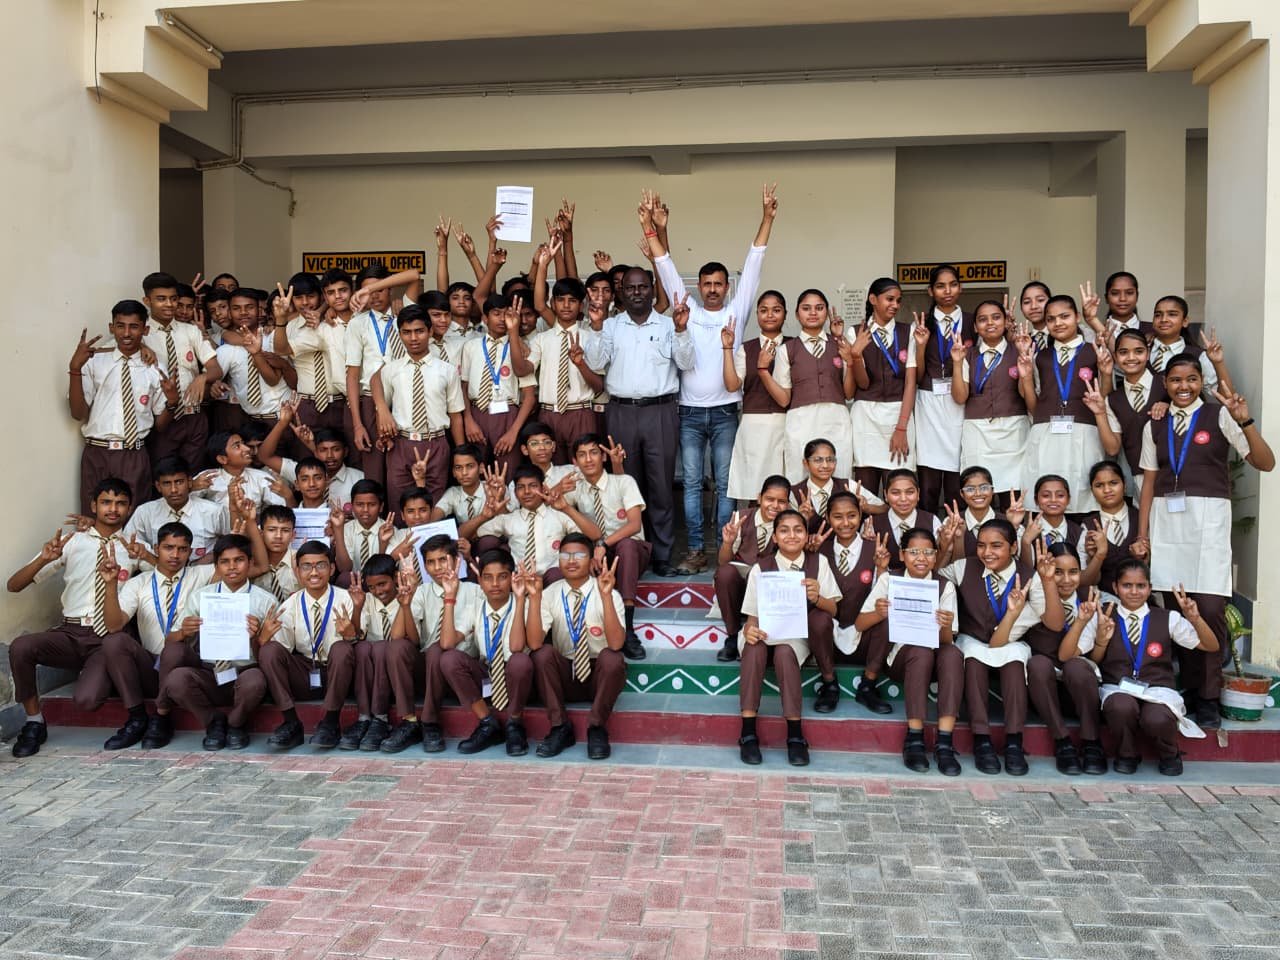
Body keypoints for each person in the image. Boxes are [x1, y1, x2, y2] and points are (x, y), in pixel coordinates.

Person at [644, 185, 778, 574]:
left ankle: (724, 548)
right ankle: (695, 550)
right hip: (688, 413)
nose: (714, 289)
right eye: (707, 284)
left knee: (724, 484)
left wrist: (767, 219)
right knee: (689, 485)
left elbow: (754, 261)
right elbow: (665, 266)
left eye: (719, 283)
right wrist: (650, 229)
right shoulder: (686, 309)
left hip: (724, 414)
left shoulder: (737, 312)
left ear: (728, 287)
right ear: (698, 287)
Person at [1138, 356, 1274, 728]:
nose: (1183, 386)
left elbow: (1265, 462)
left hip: (1208, 529)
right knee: (1176, 614)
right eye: (1175, 380)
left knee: (1210, 612)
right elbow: (1148, 482)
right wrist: (1143, 534)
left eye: (1191, 379)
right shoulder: (1155, 423)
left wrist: (1246, 421)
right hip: (1168, 527)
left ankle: (1209, 697)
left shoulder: (1219, 416)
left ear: (1201, 382)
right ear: (1165, 384)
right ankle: (1189, 686)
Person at [583, 221, 695, 577]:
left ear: (651, 289)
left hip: (660, 413)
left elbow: (687, 363)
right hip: (621, 413)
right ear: (621, 292)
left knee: (661, 487)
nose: (636, 292)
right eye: (629, 287)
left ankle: (661, 555)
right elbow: (595, 364)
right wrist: (596, 327)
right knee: (625, 486)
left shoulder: (669, 324)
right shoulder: (609, 325)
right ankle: (632, 553)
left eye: (643, 286)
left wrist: (681, 330)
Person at [7, 478, 142, 757]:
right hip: (70, 634)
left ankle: (102, 673)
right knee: (21, 647)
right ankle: (34, 722)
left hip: (108, 639)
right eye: (106, 502)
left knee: (87, 700)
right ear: (93, 505)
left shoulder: (134, 547)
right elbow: (14, 585)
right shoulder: (72, 542)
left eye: (120, 503)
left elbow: (166, 573)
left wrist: (147, 556)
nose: (113, 509)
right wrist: (44, 559)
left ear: (129, 508)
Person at [940, 518, 1062, 775]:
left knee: (1014, 664)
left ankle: (1014, 740)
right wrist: (946, 546)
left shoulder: (1029, 576)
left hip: (1009, 642)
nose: (987, 552)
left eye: (996, 545)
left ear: (1014, 547)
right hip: (973, 639)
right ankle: (981, 739)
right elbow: (934, 579)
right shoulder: (964, 567)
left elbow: (1054, 623)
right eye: (981, 545)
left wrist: (1049, 581)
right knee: (973, 661)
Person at [1091, 560, 1219, 775]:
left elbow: (1210, 645)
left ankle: (1169, 753)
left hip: (1158, 689)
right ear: (1115, 587)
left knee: (1157, 717)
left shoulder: (1167, 618)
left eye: (1140, 586)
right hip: (1118, 687)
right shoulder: (1104, 616)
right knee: (1120, 707)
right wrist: (1101, 641)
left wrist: (1195, 619)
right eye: (1127, 585)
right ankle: (1126, 753)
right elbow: (1094, 660)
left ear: (1149, 588)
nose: (1134, 592)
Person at [736, 509, 840, 767]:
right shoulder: (761, 568)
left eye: (798, 530)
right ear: (774, 537)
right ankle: (747, 731)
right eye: (784, 530)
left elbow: (833, 609)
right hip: (764, 629)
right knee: (754, 648)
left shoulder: (818, 563)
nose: (791, 535)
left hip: (794, 634)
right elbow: (752, 616)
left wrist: (817, 598)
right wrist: (750, 631)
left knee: (784, 653)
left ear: (806, 535)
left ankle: (795, 734)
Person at [154, 531, 276, 750]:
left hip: (245, 671)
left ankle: (236, 723)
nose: (232, 567)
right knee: (177, 679)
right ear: (216, 566)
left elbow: (274, 656)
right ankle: (213, 721)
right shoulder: (201, 597)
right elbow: (169, 640)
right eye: (225, 562)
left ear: (250, 562)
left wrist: (258, 637)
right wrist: (184, 632)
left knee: (255, 681)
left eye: (239, 560)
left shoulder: (265, 601)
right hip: (209, 671)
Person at [855, 526, 963, 775]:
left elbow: (947, 641)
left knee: (953, 654)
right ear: (902, 555)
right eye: (914, 552)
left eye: (928, 552)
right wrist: (878, 613)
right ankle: (914, 737)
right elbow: (860, 624)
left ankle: (945, 742)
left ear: (935, 557)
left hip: (935, 658)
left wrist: (945, 625)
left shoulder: (943, 586)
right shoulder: (889, 580)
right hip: (900, 660)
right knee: (920, 652)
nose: (921, 558)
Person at [526, 533, 628, 759]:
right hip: (566, 673)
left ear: (592, 561)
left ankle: (597, 727)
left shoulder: (609, 592)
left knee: (613, 658)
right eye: (565, 555)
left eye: (579, 555)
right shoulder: (550, 593)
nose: (571, 561)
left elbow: (617, 643)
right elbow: (533, 642)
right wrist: (534, 598)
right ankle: (560, 727)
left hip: (598, 675)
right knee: (541, 654)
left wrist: (606, 597)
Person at [70, 303, 178, 514]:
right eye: (120, 326)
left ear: (145, 330)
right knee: (92, 516)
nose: (127, 333)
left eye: (134, 327)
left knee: (134, 517)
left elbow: (160, 425)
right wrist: (74, 369)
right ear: (112, 328)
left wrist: (172, 402)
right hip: (97, 452)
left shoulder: (155, 368)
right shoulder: (94, 361)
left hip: (133, 454)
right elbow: (77, 413)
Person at [383, 535, 482, 754]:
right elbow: (398, 635)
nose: (437, 568)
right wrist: (405, 604)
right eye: (430, 562)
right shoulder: (422, 591)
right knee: (398, 647)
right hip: (428, 671)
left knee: (440, 649)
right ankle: (409, 721)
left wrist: (450, 596)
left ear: (456, 560)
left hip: (459, 672)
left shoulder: (474, 591)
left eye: (442, 560)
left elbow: (448, 643)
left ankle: (430, 722)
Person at [258, 540, 360, 750]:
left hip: (337, 674)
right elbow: (282, 650)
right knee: (269, 650)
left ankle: (330, 722)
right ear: (297, 571)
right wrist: (263, 638)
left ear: (332, 569)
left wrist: (351, 635)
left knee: (341, 648)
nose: (314, 572)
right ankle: (291, 722)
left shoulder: (347, 599)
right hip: (305, 671)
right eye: (306, 566)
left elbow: (359, 645)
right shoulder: (290, 605)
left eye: (320, 565)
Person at [438, 549, 535, 755]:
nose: (495, 584)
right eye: (488, 578)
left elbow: (517, 646)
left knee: (519, 661)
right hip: (488, 675)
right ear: (480, 581)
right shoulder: (475, 607)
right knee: (449, 659)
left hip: (517, 679)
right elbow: (447, 643)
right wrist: (449, 597)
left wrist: (519, 600)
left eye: (502, 577)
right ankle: (487, 723)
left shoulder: (526, 605)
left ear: (513, 577)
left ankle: (514, 724)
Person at [511, 251, 605, 464]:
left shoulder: (591, 337)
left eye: (572, 301)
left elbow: (599, 386)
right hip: (549, 414)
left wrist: (580, 364)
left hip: (581, 412)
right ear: (552, 303)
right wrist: (513, 332)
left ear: (581, 305)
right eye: (560, 300)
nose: (566, 305)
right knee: (549, 470)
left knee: (585, 470)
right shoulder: (542, 339)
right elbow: (522, 370)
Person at [370, 304, 465, 509]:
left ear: (430, 331)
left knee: (434, 505)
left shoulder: (447, 371)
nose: (413, 338)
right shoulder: (391, 370)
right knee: (399, 504)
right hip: (401, 444)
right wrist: (383, 432)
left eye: (419, 331)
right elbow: (382, 407)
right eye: (407, 332)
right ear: (400, 335)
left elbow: (456, 415)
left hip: (436, 444)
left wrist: (461, 452)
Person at [1025, 542, 1107, 775]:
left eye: (1073, 572)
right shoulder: (1037, 594)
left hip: (1078, 692)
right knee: (1038, 664)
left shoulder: (1089, 599)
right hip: (1043, 691)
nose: (1066, 580)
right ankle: (1062, 742)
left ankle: (1091, 742)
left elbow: (1069, 655)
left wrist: (1090, 629)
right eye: (1058, 572)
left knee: (1076, 667)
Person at [1022, 294, 1108, 513]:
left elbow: (1105, 395)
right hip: (1046, 431)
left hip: (1084, 431)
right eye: (1051, 319)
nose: (1058, 323)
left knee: (1082, 492)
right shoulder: (1040, 356)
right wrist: (1026, 377)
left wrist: (1106, 373)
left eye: (1064, 316)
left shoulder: (1094, 351)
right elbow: (1034, 406)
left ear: (1077, 317)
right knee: (1046, 491)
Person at [568, 434, 651, 660]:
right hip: (598, 554)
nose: (588, 459)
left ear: (603, 456)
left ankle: (628, 629)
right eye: (582, 455)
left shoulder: (623, 482)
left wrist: (603, 544)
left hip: (631, 551)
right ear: (575, 461)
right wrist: (591, 553)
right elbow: (551, 501)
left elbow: (634, 525)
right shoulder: (575, 488)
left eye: (594, 453)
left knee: (626, 546)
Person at [951, 299, 1029, 504]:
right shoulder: (967, 355)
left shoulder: (1019, 351)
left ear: (1005, 322)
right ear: (975, 327)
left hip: (1013, 431)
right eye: (983, 320)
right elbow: (959, 397)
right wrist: (957, 363)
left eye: (996, 317)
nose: (990, 323)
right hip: (978, 431)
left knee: (1012, 493)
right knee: (979, 491)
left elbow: (1025, 393)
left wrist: (1024, 361)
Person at [142, 272, 222, 468]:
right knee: (163, 473)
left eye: (173, 299)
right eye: (161, 299)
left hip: (193, 415)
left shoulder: (190, 331)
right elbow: (110, 350)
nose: (169, 304)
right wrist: (140, 346)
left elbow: (215, 369)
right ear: (147, 301)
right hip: (161, 417)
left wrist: (203, 377)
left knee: (193, 473)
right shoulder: (140, 333)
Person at [849, 277, 918, 496]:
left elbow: (910, 383)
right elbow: (862, 383)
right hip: (865, 416)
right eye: (889, 299)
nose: (895, 305)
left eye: (898, 300)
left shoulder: (908, 332)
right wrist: (856, 355)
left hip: (899, 413)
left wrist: (901, 427)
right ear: (873, 299)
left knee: (899, 487)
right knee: (865, 491)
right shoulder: (855, 332)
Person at [819, 491, 886, 715]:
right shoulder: (819, 550)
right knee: (816, 618)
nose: (846, 523)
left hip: (864, 638)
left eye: (852, 515)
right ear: (828, 518)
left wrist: (881, 569)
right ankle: (829, 684)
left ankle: (868, 685)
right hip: (828, 640)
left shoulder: (874, 549)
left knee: (887, 615)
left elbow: (880, 594)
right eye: (838, 517)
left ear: (861, 515)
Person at [472, 465, 601, 581]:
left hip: (553, 579)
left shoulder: (558, 515)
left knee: (555, 574)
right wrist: (483, 516)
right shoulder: (508, 519)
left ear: (543, 488)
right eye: (521, 487)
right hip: (520, 579)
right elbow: (470, 534)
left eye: (533, 486)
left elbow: (595, 535)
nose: (527, 492)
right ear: (515, 493)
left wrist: (566, 508)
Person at [713, 475, 789, 663]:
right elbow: (723, 561)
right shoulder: (741, 518)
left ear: (788, 504)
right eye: (770, 499)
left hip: (769, 589)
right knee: (725, 573)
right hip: (741, 586)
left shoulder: (789, 522)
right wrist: (728, 543)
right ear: (759, 498)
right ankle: (732, 636)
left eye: (781, 501)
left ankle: (759, 634)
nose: (775, 506)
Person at [725, 291, 791, 503]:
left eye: (776, 310)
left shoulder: (794, 345)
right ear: (757, 314)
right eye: (764, 310)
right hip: (755, 425)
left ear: (785, 314)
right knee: (755, 487)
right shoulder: (747, 348)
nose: (770, 315)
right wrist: (727, 348)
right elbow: (732, 385)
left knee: (787, 487)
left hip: (788, 422)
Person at [913, 265, 970, 510]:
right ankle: (927, 529)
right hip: (929, 405)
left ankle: (958, 530)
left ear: (960, 287)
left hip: (962, 402)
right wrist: (921, 346)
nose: (948, 291)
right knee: (929, 483)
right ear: (930, 291)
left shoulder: (973, 322)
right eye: (940, 286)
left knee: (958, 482)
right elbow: (917, 375)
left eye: (953, 284)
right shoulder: (921, 324)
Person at [459, 295, 537, 472]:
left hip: (508, 415)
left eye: (507, 314)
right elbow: (463, 387)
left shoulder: (520, 348)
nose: (502, 319)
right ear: (485, 318)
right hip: (477, 413)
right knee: (477, 471)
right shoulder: (471, 346)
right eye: (496, 314)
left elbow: (529, 397)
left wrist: (513, 432)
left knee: (508, 470)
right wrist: (468, 420)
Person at [783, 289, 854, 482]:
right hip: (801, 420)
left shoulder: (841, 345)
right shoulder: (786, 350)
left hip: (836, 418)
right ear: (797, 314)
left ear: (827, 312)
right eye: (806, 308)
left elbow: (849, 393)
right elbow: (784, 397)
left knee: (839, 474)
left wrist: (850, 360)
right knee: (798, 475)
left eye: (819, 308)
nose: (813, 313)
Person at [345, 265, 407, 484]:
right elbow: (352, 375)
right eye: (367, 291)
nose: (374, 296)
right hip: (370, 402)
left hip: (403, 399)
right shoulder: (357, 323)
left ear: (390, 288)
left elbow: (413, 276)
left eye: (379, 289)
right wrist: (358, 424)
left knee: (402, 468)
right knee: (374, 471)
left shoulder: (404, 316)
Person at [1084, 329, 1164, 493]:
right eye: (1123, 352)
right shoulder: (1114, 399)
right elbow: (1112, 448)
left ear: (1148, 354)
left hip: (1172, 472)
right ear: (1115, 356)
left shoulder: (1166, 383)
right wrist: (1100, 414)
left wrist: (1170, 405)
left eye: (1139, 351)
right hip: (1138, 476)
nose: (1131, 357)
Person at [269, 276, 350, 436]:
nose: (305, 302)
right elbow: (280, 350)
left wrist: (325, 309)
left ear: (321, 296)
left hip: (341, 402)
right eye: (299, 298)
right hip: (307, 404)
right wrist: (281, 319)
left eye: (311, 296)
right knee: (306, 449)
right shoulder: (288, 328)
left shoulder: (334, 321)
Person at [340, 554, 401, 751]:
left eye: (382, 584)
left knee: (383, 647)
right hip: (374, 672)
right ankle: (364, 717)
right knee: (362, 647)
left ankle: (380, 718)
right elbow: (357, 635)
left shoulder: (408, 598)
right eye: (372, 587)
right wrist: (357, 607)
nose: (378, 591)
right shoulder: (367, 601)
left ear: (395, 577)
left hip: (399, 670)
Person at [258, 406, 364, 511]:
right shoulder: (303, 471)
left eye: (336, 449)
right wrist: (282, 423)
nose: (329, 455)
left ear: (345, 452)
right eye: (323, 450)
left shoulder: (358, 478)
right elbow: (264, 456)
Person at [123, 456, 227, 562]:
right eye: (167, 483)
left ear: (189, 482)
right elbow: (129, 544)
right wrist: (146, 555)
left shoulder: (213, 511)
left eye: (179, 482)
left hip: (203, 570)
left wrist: (213, 556)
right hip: (156, 569)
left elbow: (231, 542)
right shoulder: (145, 512)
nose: (173, 490)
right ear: (158, 486)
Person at [212, 304, 289, 433]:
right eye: (236, 308)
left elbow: (274, 380)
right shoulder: (225, 349)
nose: (243, 312)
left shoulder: (273, 338)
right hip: (250, 421)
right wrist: (214, 385)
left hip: (281, 416)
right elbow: (212, 379)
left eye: (250, 307)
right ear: (230, 313)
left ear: (259, 310)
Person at [1085, 459, 1141, 597]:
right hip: (1103, 600)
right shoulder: (1087, 526)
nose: (1107, 490)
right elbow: (1089, 581)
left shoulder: (1141, 519)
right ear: (1092, 491)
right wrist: (1095, 556)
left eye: (1113, 483)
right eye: (1099, 485)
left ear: (1125, 485)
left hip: (1140, 598)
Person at [870, 469, 940, 572]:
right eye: (895, 493)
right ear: (885, 494)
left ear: (918, 493)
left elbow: (938, 562)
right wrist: (867, 545)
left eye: (910, 492)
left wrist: (946, 543)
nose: (903, 499)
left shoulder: (932, 521)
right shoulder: (872, 524)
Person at [252, 504, 300, 602]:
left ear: (293, 535)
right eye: (271, 530)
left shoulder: (300, 560)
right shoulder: (252, 562)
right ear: (261, 533)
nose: (278, 536)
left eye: (285, 530)